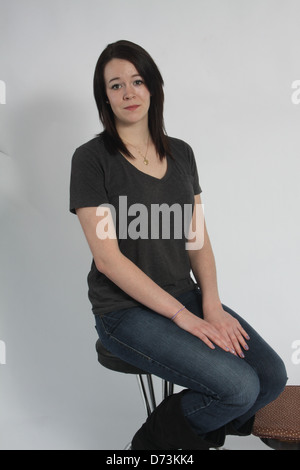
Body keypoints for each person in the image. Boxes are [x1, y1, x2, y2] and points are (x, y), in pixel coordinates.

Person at [69, 40, 287, 450]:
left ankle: (181, 441)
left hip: (184, 293)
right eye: (115, 85)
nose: (129, 92)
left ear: (153, 87)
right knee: (238, 388)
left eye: (137, 81)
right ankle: (150, 449)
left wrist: (211, 305)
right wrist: (184, 319)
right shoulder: (91, 159)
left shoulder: (181, 153)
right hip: (124, 312)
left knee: (271, 377)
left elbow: (197, 238)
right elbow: (108, 260)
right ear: (104, 97)